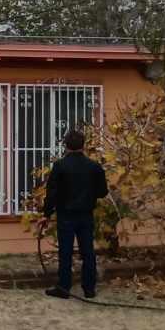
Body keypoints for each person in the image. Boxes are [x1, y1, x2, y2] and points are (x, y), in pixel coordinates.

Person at [43, 127, 108, 300]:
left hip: (66, 215)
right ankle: (89, 289)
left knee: (65, 252)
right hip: (86, 214)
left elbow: (52, 193)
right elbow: (103, 191)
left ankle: (64, 288)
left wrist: (46, 213)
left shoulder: (60, 166)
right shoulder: (94, 167)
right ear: (83, 145)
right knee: (88, 252)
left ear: (66, 146)